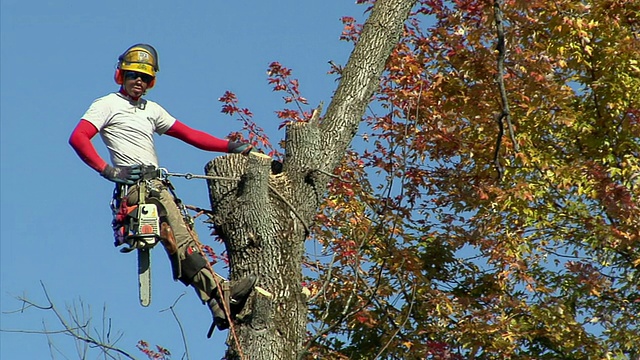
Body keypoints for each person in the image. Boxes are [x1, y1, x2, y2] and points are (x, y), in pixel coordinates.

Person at [68, 43, 256, 336]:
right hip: (138, 187)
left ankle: (219, 303)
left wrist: (231, 146)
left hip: (158, 184)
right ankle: (221, 293)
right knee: (179, 240)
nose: (138, 82)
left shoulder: (150, 110)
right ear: (122, 75)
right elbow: (79, 137)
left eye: (144, 78)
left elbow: (189, 134)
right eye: (133, 76)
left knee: (186, 238)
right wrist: (108, 170)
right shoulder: (106, 104)